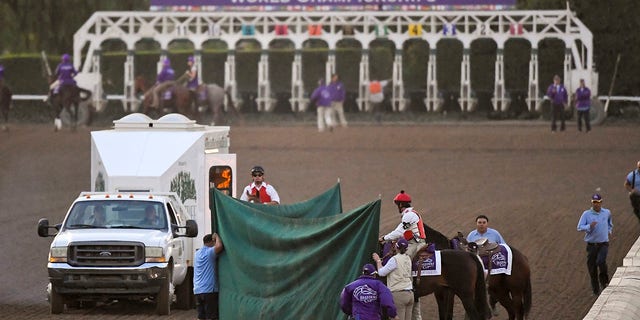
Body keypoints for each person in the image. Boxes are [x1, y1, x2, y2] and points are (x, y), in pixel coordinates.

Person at [577, 193, 613, 296]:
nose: (596, 204)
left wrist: (609, 230)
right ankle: (595, 290)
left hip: (603, 244)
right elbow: (579, 227)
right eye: (594, 202)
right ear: (592, 203)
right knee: (592, 268)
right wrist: (589, 226)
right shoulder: (586, 214)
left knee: (601, 261)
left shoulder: (607, 213)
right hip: (592, 245)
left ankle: (605, 282)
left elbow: (610, 222)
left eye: (598, 202)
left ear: (601, 202)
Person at [372, 238, 413, 320]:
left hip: (398, 294)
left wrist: (378, 261)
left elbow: (381, 273)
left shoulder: (394, 259)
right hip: (410, 294)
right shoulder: (408, 258)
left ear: (396, 247)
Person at [379, 190, 426, 259]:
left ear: (400, 204)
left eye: (398, 205)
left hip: (416, 243)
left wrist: (383, 238)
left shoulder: (408, 215)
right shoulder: (410, 214)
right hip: (414, 241)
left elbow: (399, 232)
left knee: (403, 258)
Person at [193, 233, 224, 320]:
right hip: (209, 290)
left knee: (201, 317)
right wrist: (217, 236)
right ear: (212, 242)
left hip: (198, 290)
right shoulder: (209, 253)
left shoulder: (197, 254)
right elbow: (219, 246)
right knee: (212, 317)